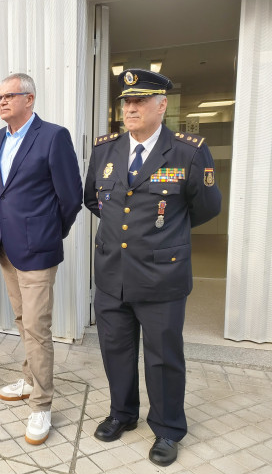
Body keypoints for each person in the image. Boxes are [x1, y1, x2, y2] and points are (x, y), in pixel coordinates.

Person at [84, 69, 221, 466]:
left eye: (140, 100)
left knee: (162, 356)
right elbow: (93, 200)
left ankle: (167, 428)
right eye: (126, 101)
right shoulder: (105, 150)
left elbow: (206, 207)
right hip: (111, 273)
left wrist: (163, 236)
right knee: (115, 350)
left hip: (162, 275)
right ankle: (122, 413)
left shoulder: (188, 151)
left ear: (162, 106)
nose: (131, 107)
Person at [0, 73, 83, 445]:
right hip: (6, 248)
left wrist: (48, 231)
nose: (2, 103)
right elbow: (4, 194)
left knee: (38, 328)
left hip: (38, 250)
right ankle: (29, 381)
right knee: (21, 319)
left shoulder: (53, 136)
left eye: (9, 96)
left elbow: (71, 196)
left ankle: (42, 404)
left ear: (30, 99)